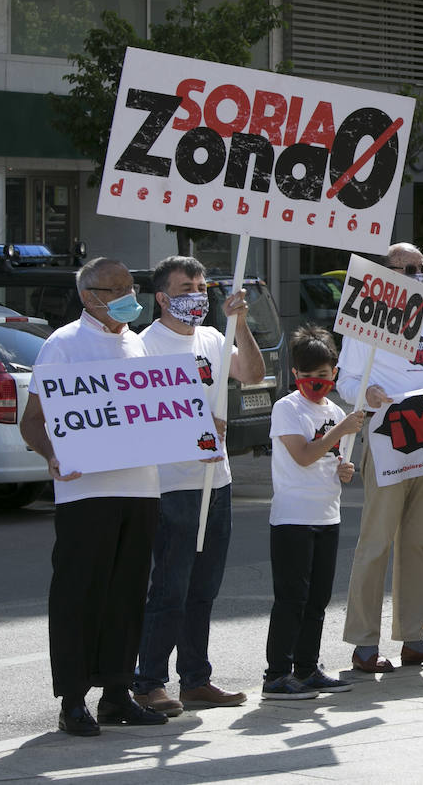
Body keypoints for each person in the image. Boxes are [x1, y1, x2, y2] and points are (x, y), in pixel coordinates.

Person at [21, 258, 167, 736]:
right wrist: (52, 454)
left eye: (133, 286)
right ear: (89, 297)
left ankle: (117, 693)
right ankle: (73, 699)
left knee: (127, 595)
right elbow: (33, 421)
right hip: (86, 492)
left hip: (140, 488)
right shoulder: (63, 345)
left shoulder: (138, 345)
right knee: (80, 595)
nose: (131, 295)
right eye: (118, 288)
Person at [132, 256, 263, 716]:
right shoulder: (144, 345)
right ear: (162, 298)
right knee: (170, 587)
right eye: (186, 287)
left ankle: (195, 679)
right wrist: (192, 430)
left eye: (203, 286)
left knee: (203, 587)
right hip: (172, 484)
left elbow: (250, 374)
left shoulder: (213, 335)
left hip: (217, 478)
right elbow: (140, 414)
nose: (198, 294)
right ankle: (149, 682)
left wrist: (239, 323)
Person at [337, 243, 423, 672]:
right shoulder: (366, 316)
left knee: (419, 544)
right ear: (385, 272)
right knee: (376, 542)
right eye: (405, 268)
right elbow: (347, 380)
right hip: (386, 437)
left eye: (420, 267)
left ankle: (414, 637)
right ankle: (364, 644)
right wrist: (367, 394)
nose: (415, 274)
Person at [261, 326, 365, 699]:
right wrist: (339, 431)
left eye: (322, 376)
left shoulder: (335, 410)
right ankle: (276, 674)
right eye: (307, 377)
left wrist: (344, 469)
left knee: (317, 600)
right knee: (292, 599)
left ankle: (306, 667)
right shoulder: (287, 408)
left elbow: (331, 459)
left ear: (334, 372)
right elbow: (303, 455)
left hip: (327, 514)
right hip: (293, 517)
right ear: (295, 376)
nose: (315, 383)